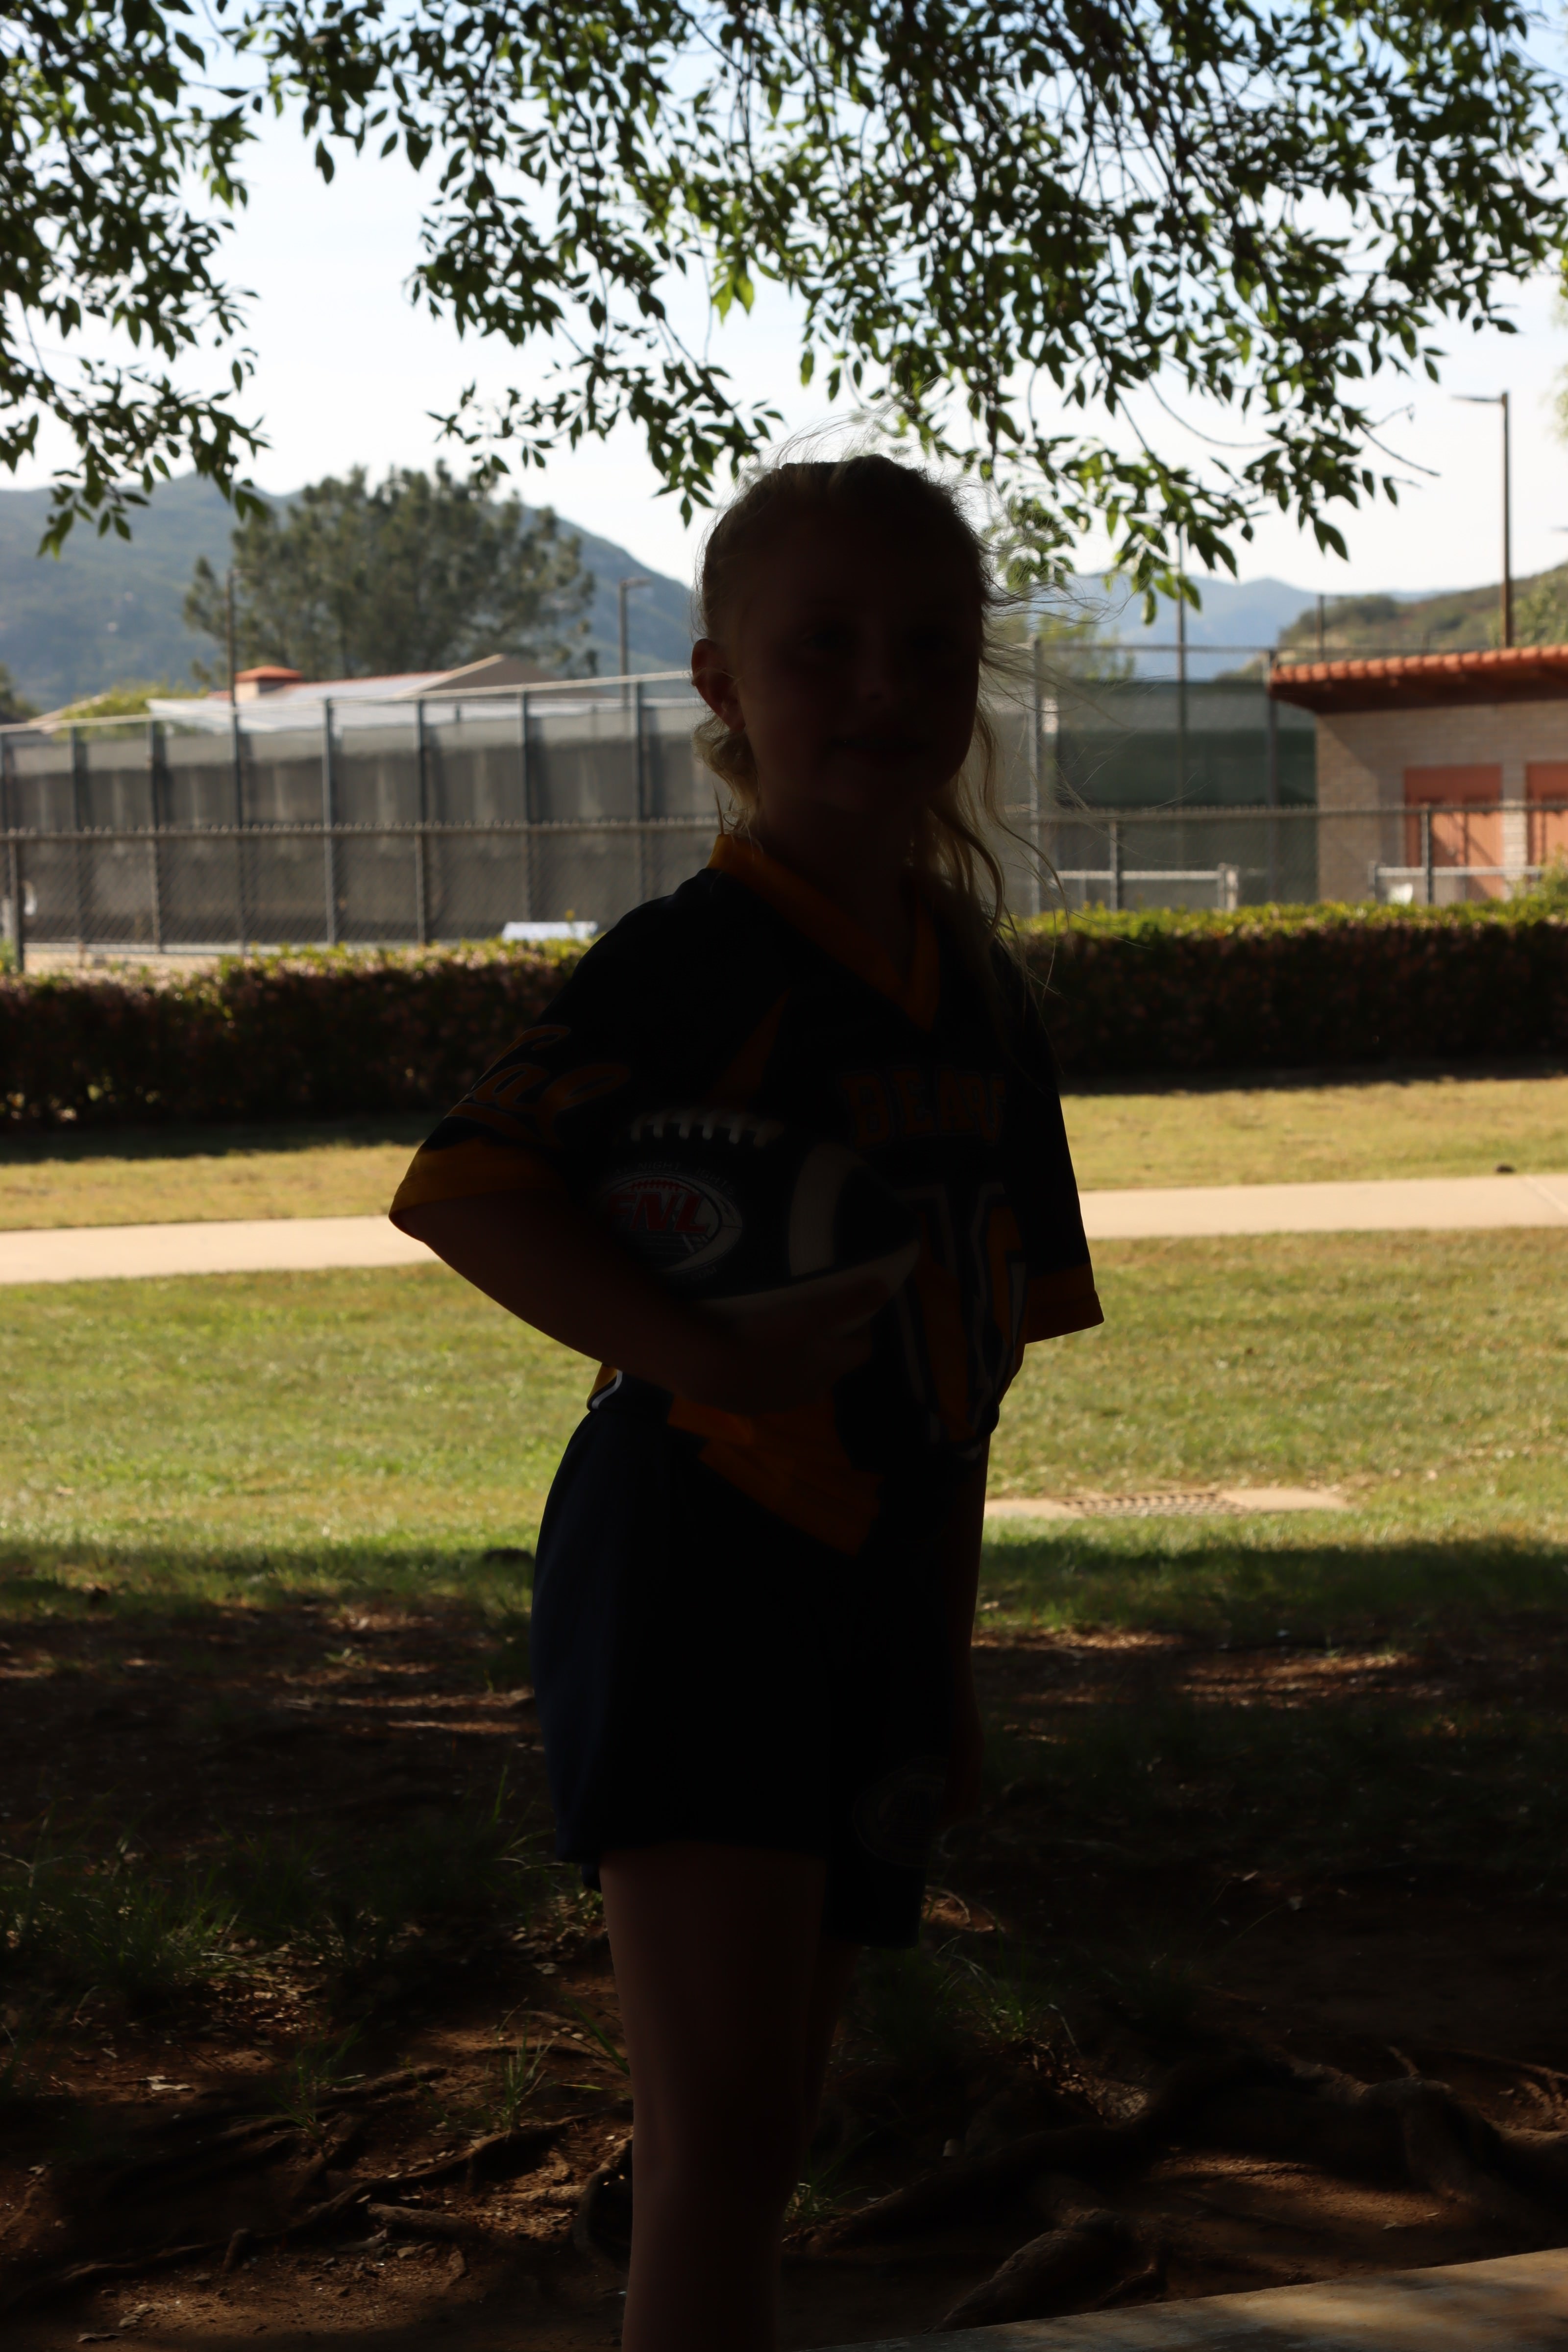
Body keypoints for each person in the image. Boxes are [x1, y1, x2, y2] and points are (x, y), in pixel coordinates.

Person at [390, 453, 1102, 2352]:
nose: (880, 686)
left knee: (770, 2123)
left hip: (870, 1596)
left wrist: (942, 1649)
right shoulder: (695, 964)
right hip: (699, 1567)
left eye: (927, 646)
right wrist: (705, 1355)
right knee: (716, 2134)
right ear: (722, 682)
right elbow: (462, 1189)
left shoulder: (977, 991)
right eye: (822, 646)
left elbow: (972, 1373)